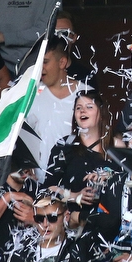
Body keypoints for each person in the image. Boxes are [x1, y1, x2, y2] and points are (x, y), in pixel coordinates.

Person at [26, 37, 93, 183]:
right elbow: (23, 138)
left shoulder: (87, 95)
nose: (40, 68)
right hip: (40, 184)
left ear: (62, 62)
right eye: (37, 62)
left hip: (78, 183)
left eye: (45, 62)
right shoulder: (30, 95)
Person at [55, 10, 98, 89]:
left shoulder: (86, 76)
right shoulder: (37, 73)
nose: (59, 37)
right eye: (53, 33)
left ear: (74, 37)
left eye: (64, 33)